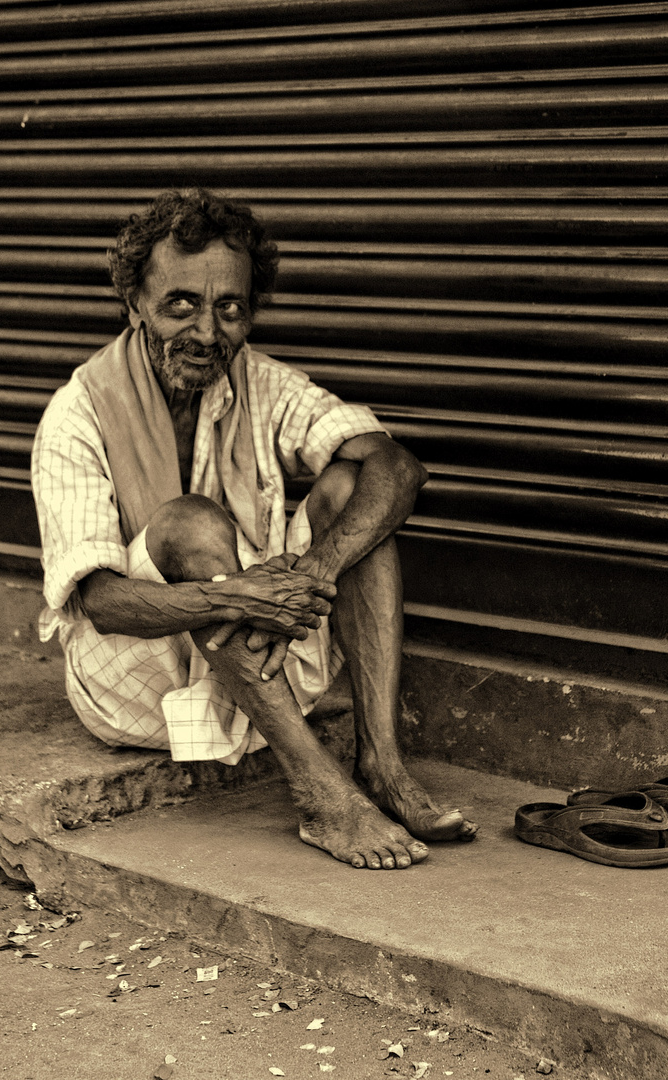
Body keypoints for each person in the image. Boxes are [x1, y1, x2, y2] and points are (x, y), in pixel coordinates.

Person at [32, 187, 476, 870]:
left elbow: (398, 465)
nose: (207, 332)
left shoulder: (261, 383)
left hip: (266, 649)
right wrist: (239, 598)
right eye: (181, 304)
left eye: (228, 309)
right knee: (187, 523)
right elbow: (102, 603)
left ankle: (381, 763)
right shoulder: (76, 416)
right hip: (133, 683)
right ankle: (319, 790)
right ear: (135, 306)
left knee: (358, 487)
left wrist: (317, 569)